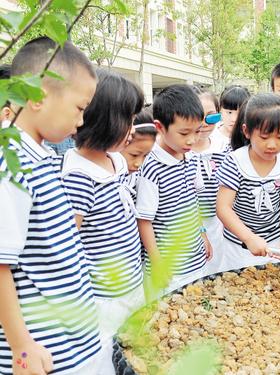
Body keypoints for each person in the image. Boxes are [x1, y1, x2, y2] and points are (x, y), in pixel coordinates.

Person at [0, 36, 101, 374]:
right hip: (43, 351)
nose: (81, 121)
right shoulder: (10, 164)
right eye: (79, 108)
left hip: (69, 342)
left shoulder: (36, 155)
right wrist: (22, 348)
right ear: (39, 97)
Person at [61, 69, 145, 375]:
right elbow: (69, 243)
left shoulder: (117, 161)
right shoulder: (78, 177)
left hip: (130, 284)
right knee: (105, 360)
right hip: (103, 298)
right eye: (129, 121)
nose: (133, 130)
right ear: (107, 121)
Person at [135, 84, 212, 299]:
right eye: (184, 133)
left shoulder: (191, 157)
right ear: (159, 127)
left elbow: (193, 202)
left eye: (197, 132)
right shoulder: (150, 166)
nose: (191, 140)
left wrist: (203, 234)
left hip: (195, 260)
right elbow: (144, 220)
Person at [216, 93, 280, 271]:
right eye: (264, 137)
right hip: (239, 245)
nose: (272, 145)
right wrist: (249, 238)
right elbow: (223, 208)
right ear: (246, 131)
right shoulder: (235, 162)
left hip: (277, 243)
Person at [187, 87, 226, 276]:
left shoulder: (224, 148)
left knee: (216, 270)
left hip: (218, 222)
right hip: (190, 223)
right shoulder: (182, 151)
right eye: (197, 116)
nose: (204, 123)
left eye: (211, 117)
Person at [210, 85, 250, 152]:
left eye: (239, 113)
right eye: (229, 112)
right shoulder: (210, 134)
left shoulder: (250, 136)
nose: (234, 119)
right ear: (220, 109)